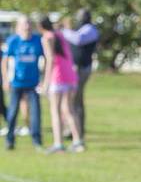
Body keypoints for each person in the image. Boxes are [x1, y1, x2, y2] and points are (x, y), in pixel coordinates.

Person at [38, 18, 82, 153]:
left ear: (40, 27)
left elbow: (50, 59)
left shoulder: (46, 38)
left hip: (57, 77)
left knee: (55, 111)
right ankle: (78, 142)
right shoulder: (59, 34)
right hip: (70, 75)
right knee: (68, 110)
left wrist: (45, 83)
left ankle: (58, 144)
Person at [4, 15, 44, 150]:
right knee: (12, 112)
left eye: (28, 23)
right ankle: (10, 140)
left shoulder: (38, 40)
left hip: (33, 83)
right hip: (16, 83)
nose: (27, 26)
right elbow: (4, 61)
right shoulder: (13, 41)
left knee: (35, 113)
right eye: (24, 24)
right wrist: (5, 79)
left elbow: (46, 59)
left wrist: (43, 79)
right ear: (18, 27)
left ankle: (37, 140)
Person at [61, 8, 98, 141]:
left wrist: (64, 30)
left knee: (76, 101)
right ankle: (72, 130)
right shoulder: (79, 29)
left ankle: (78, 132)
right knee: (72, 101)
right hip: (74, 69)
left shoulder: (90, 29)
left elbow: (78, 39)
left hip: (82, 69)